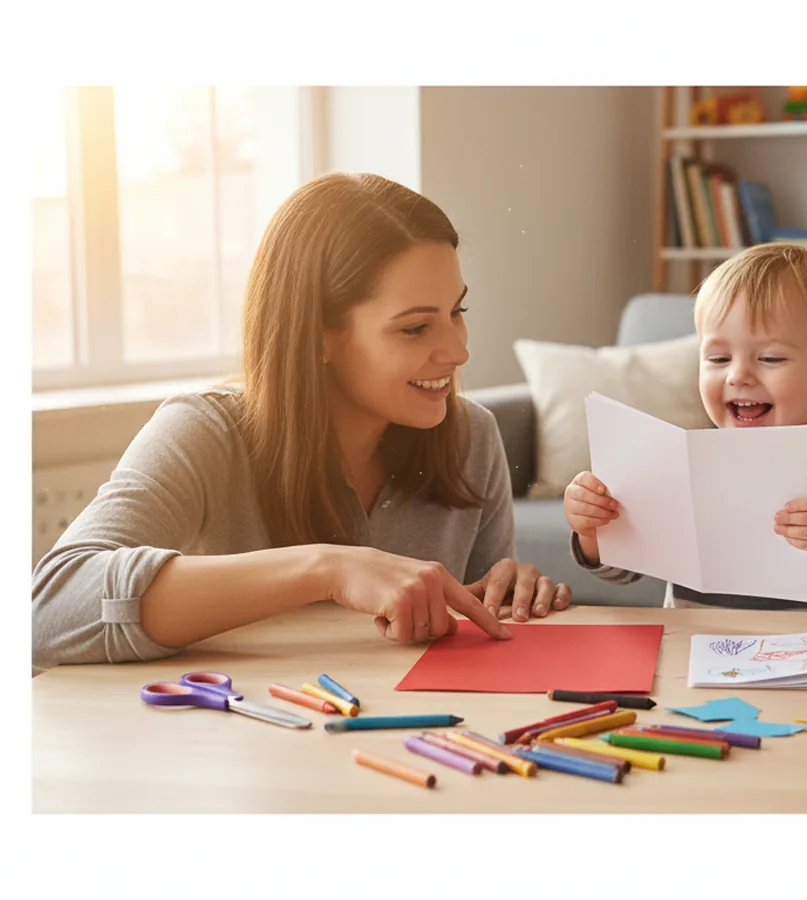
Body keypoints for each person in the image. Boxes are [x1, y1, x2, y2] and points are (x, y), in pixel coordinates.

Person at [32, 173, 572, 675]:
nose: (457, 351)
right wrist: (327, 569)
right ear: (316, 334)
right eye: (414, 329)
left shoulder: (471, 435)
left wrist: (508, 592)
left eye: (458, 312)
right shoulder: (203, 433)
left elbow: (473, 637)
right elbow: (47, 610)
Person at [563, 242, 807, 612]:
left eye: (770, 357)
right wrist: (593, 529)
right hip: (694, 660)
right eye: (718, 357)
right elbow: (621, 573)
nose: (738, 375)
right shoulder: (680, 468)